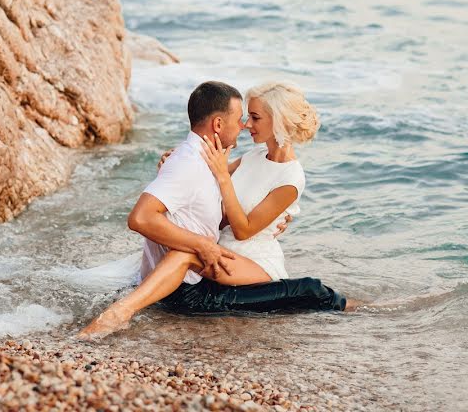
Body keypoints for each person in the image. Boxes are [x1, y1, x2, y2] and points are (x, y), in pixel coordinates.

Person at [78, 81, 351, 340]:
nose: (246, 125)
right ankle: (121, 312)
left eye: (254, 118)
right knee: (187, 252)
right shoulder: (254, 156)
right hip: (224, 247)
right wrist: (173, 160)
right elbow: (206, 179)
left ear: (277, 121)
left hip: (253, 260)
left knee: (186, 254)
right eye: (246, 117)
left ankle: (118, 314)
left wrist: (224, 178)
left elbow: (243, 229)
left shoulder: (291, 177)